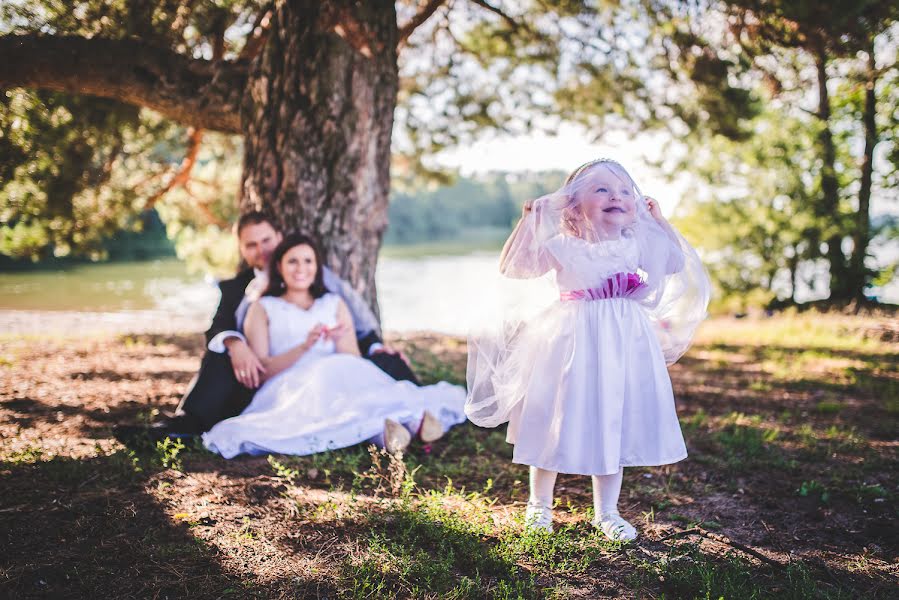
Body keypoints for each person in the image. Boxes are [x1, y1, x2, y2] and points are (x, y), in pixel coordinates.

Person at [465, 159, 710, 540]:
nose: (617, 196)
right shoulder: (564, 246)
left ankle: (607, 511)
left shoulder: (637, 244)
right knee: (553, 415)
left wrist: (659, 220)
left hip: (624, 344)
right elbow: (515, 268)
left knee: (613, 415)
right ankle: (539, 505)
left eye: (626, 191)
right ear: (575, 204)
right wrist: (529, 221)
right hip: (570, 341)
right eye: (602, 190)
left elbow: (675, 261)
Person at [127, 211, 417, 440]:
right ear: (242, 249)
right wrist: (235, 343)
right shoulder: (235, 288)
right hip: (263, 367)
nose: (261, 249)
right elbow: (219, 326)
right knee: (219, 354)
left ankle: (409, 414)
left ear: (278, 237)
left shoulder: (314, 275)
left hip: (324, 363)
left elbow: (351, 320)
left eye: (266, 240)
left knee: (382, 366)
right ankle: (187, 423)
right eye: (251, 245)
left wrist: (377, 345)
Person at [201, 233, 467, 458]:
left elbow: (351, 358)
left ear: (317, 267)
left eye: (308, 261)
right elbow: (263, 371)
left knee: (348, 375)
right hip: (291, 385)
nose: (301, 268)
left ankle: (405, 424)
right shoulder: (262, 307)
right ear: (279, 266)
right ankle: (387, 432)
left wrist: (340, 337)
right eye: (293, 261)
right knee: (327, 380)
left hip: (339, 376)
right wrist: (304, 347)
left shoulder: (333, 303)